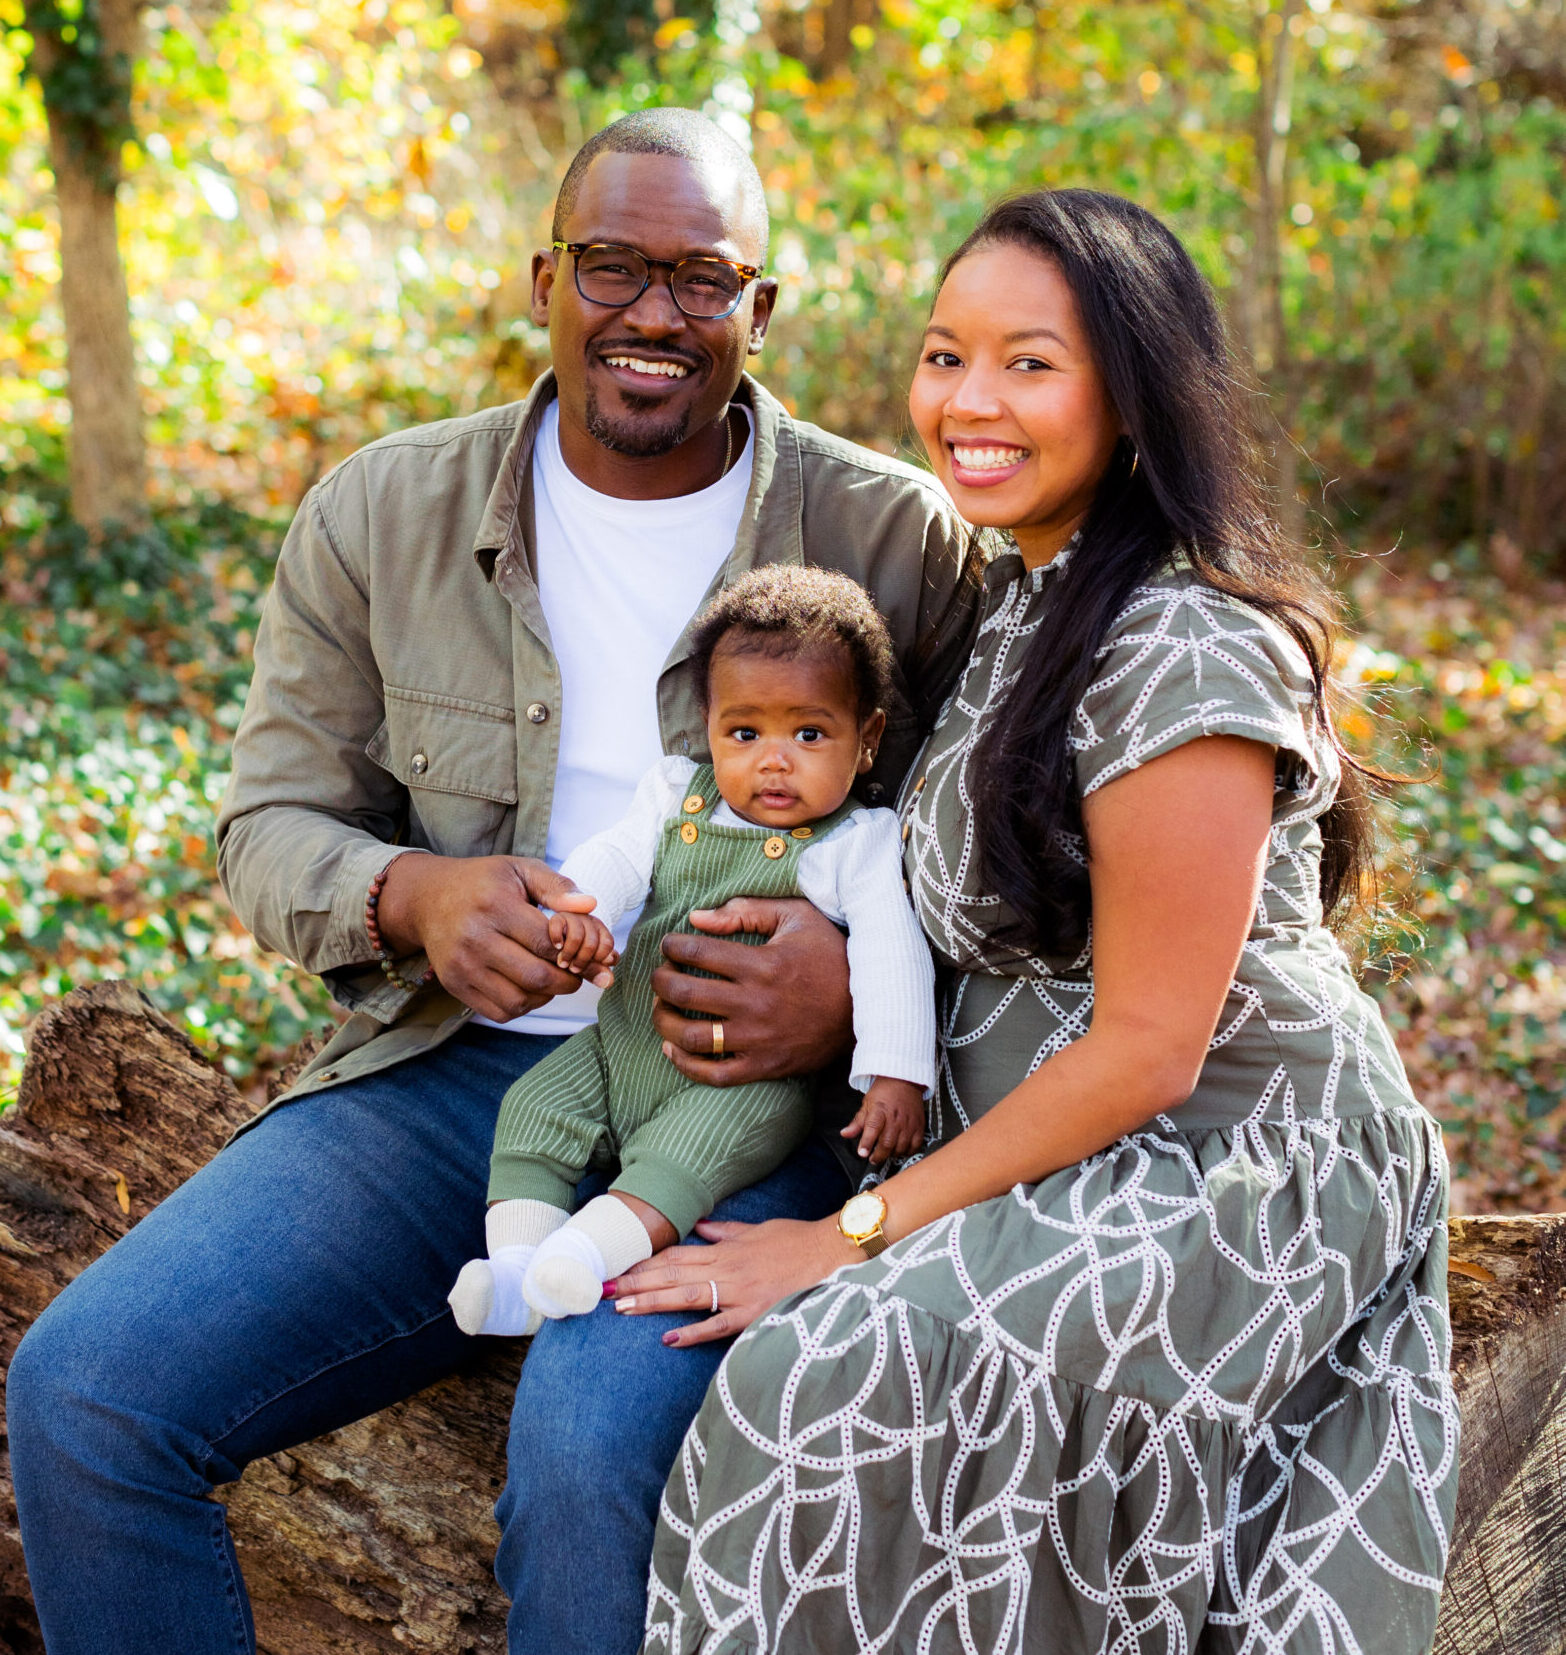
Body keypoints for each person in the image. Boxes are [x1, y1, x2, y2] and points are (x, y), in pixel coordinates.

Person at [3, 110, 978, 1655]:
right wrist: (419, 900)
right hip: (446, 1087)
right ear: (544, 277)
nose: (653, 313)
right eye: (611, 267)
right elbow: (268, 824)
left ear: (762, 307)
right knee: (86, 1390)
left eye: (701, 277)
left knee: (587, 1452)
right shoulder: (383, 513)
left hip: (751, 1120)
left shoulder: (892, 535)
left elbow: (994, 864)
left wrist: (855, 988)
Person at [622, 188, 1461, 1655]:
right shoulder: (1026, 596)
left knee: (823, 1375)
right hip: (1071, 1149)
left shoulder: (1181, 633)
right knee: (833, 1375)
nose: (968, 401)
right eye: (944, 356)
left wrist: (850, 1233)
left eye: (1028, 362)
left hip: (1232, 1166)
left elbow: (1146, 1045)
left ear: (1130, 396)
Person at [449, 565, 933, 1334]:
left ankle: (583, 1254)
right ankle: (516, 1277)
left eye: (809, 733)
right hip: (624, 1040)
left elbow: (889, 956)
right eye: (745, 732)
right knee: (533, 1109)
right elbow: (615, 858)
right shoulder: (676, 791)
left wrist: (897, 1076)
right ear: (708, 724)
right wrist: (579, 911)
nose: (773, 760)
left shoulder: (855, 841)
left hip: (741, 1085)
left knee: (680, 1163)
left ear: (867, 737)